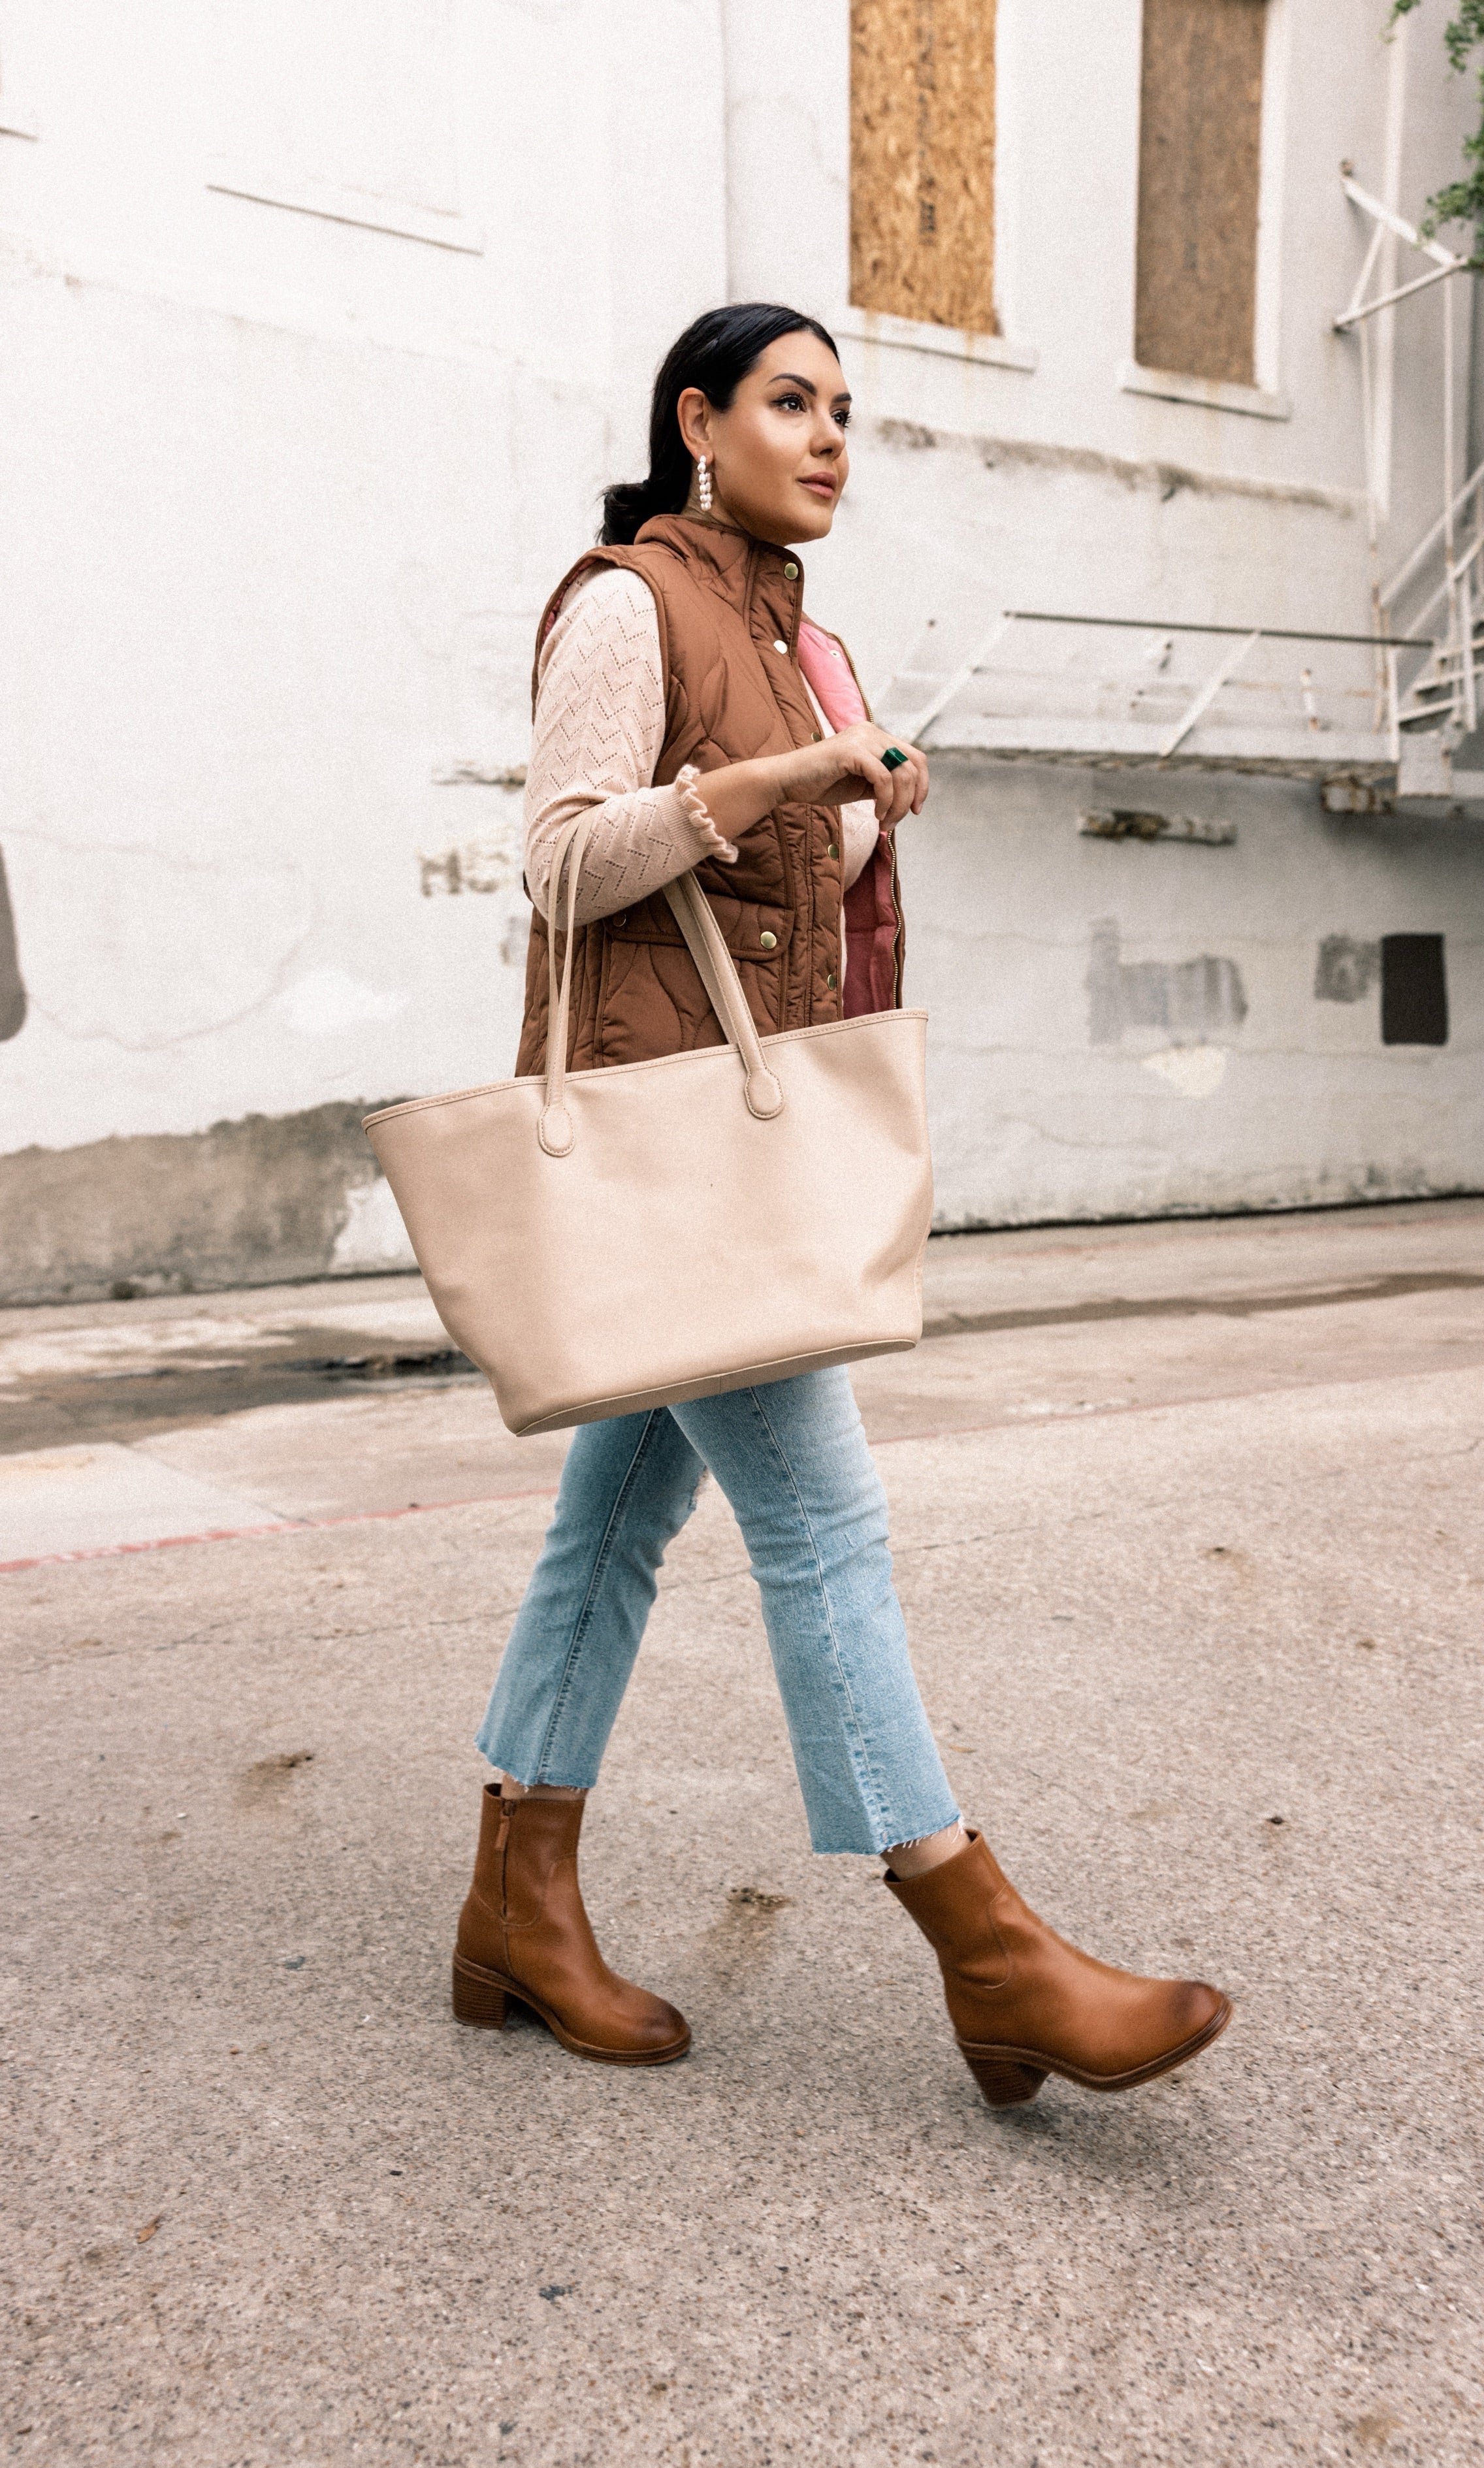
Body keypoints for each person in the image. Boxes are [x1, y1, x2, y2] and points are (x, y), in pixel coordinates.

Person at [451, 303, 1233, 2109]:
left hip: (744, 1145)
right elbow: (567, 859)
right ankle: (989, 1948)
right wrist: (791, 772)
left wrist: (870, 804)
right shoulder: (629, 602)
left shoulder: (804, 637)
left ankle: (516, 1900)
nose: (829, 439)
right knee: (825, 1523)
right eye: (792, 404)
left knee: (616, 1526)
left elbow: (777, 887)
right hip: (673, 1146)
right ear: (696, 419)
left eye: (846, 413)